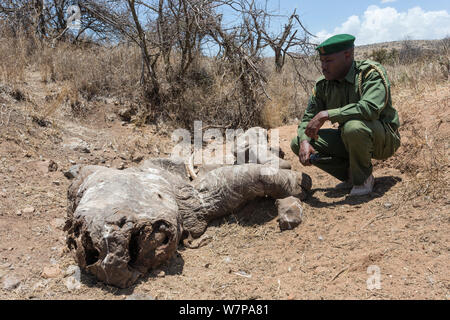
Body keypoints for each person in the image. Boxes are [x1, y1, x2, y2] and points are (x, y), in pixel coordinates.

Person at [290, 34, 401, 196]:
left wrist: (327, 114)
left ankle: (362, 180)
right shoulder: (323, 85)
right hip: (350, 138)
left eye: (328, 61)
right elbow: (307, 119)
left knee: (353, 127)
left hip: (383, 139)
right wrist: (305, 141)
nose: (323, 66)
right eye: (321, 61)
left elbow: (369, 109)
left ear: (347, 55)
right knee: (297, 142)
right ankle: (352, 175)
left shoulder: (369, 74)